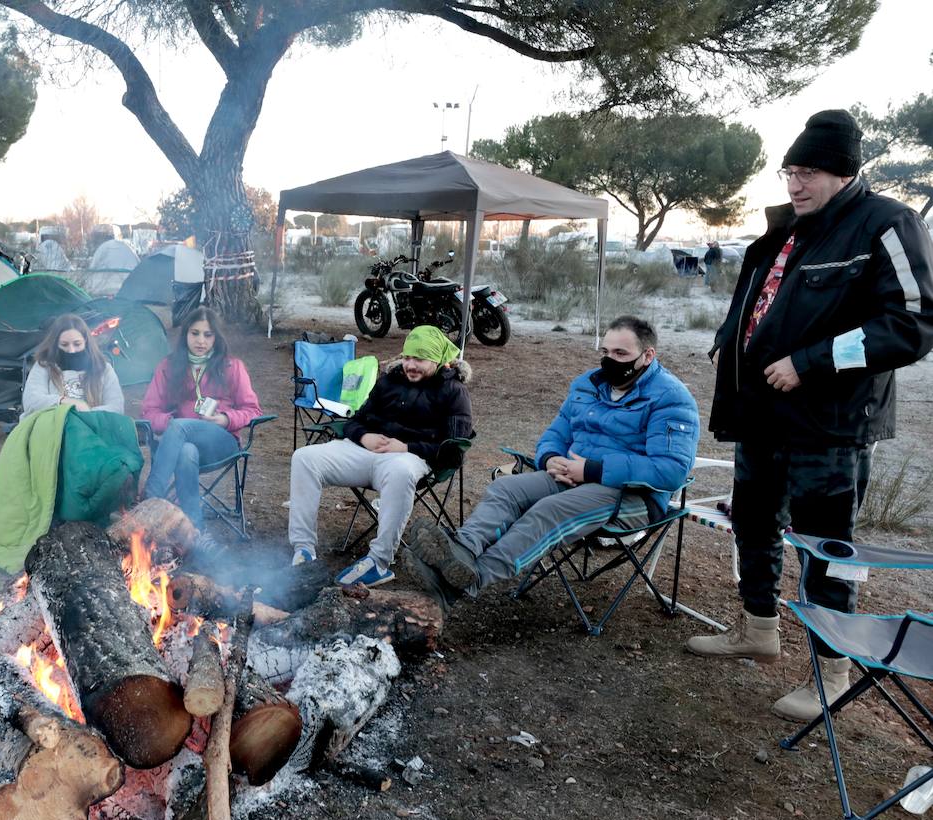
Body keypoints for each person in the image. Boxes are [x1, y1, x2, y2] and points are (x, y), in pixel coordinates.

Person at [684, 109, 933, 721]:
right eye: (790, 171)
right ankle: (757, 628)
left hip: (829, 424)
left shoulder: (886, 224)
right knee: (754, 522)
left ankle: (833, 673)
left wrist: (813, 361)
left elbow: (914, 323)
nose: (796, 185)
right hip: (759, 415)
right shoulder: (786, 231)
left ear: (846, 174)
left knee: (825, 548)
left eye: (810, 172)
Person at [406, 316, 698, 607]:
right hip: (570, 476)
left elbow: (670, 470)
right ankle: (462, 552)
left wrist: (593, 469)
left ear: (648, 356)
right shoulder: (588, 385)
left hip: (630, 494)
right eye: (606, 352)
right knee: (505, 490)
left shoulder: (670, 398)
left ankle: (471, 579)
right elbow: (556, 433)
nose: (610, 360)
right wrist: (550, 457)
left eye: (621, 354)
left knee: (548, 510)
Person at [288, 326, 473, 587]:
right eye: (407, 357)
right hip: (366, 451)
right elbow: (355, 421)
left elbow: (454, 450)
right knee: (304, 458)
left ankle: (379, 561)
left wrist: (407, 448)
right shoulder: (389, 380)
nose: (410, 365)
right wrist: (364, 437)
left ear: (438, 360)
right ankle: (303, 549)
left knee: (401, 471)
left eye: (419, 359)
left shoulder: (454, 391)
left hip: (408, 458)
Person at [140, 307, 262, 530]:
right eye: (194, 333)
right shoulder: (168, 366)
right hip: (178, 446)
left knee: (180, 429)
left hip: (221, 441)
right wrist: (168, 423)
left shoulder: (232, 366)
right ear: (185, 334)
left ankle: (150, 498)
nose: (201, 341)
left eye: (208, 334)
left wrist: (225, 419)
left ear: (216, 337)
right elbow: (149, 411)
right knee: (186, 450)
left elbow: (252, 409)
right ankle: (195, 530)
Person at [22, 314, 125, 416]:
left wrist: (85, 414)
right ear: (55, 344)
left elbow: (116, 407)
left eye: (77, 344)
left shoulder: (103, 369)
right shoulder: (44, 366)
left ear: (85, 341)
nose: (71, 350)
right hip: (53, 428)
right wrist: (66, 402)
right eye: (64, 344)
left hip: (92, 427)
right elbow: (31, 401)